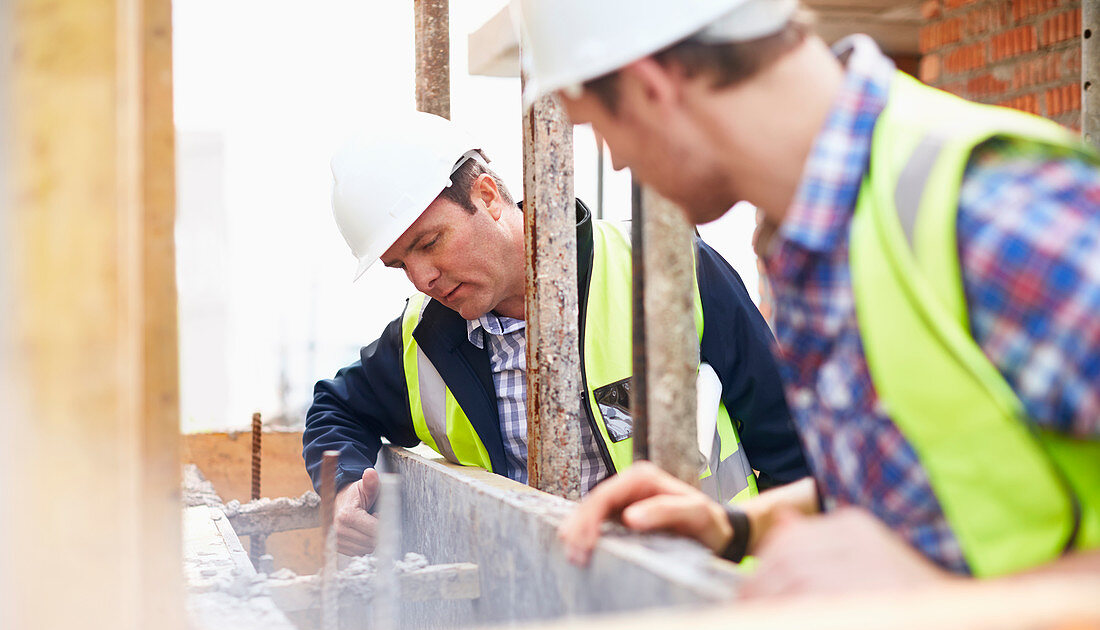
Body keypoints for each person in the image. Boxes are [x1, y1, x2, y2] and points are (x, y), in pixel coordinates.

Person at [516, 0, 1100, 594]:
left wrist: (941, 603)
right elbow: (930, 489)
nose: (617, 162)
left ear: (650, 88)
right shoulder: (821, 232)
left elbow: (923, 583)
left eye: (599, 129)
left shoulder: (995, 212)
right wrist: (734, 527)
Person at [303, 110, 810, 555]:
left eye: (430, 242)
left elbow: (790, 441)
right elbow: (335, 408)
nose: (422, 278)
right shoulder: (423, 339)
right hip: (540, 619)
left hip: (698, 604)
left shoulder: (667, 270)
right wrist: (345, 487)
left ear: (486, 195)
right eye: (400, 265)